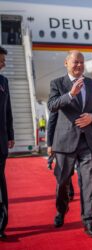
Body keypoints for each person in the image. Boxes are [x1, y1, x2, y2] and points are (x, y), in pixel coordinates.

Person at [47, 50, 92, 237]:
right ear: (66, 63)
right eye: (75, 62)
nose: (79, 65)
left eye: (81, 62)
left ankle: (89, 222)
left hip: (88, 142)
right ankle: (61, 210)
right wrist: (71, 94)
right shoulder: (57, 83)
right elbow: (52, 106)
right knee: (62, 182)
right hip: (64, 143)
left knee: (89, 183)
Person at [0, 46, 15, 240]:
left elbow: (8, 111)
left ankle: (1, 226)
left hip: (1, 143)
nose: (4, 63)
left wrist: (10, 134)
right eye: (1, 59)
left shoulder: (4, 81)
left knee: (1, 186)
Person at [47, 111, 74, 200]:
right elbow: (51, 123)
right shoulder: (57, 104)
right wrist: (49, 144)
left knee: (67, 171)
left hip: (72, 141)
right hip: (59, 143)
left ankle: (69, 192)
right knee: (61, 171)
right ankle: (64, 195)